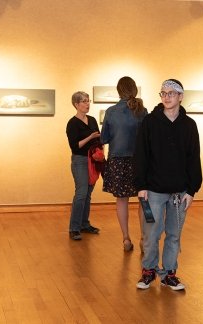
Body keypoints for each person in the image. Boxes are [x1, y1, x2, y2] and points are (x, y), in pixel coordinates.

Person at [134, 79, 202, 290]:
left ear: (181, 97)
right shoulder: (149, 122)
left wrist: (192, 189)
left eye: (172, 93)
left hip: (180, 192)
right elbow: (141, 155)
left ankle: (169, 273)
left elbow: (194, 158)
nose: (167, 97)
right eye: (163, 93)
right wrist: (141, 185)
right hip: (153, 190)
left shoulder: (189, 125)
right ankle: (148, 271)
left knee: (174, 234)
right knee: (151, 233)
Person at [101, 76, 148, 252]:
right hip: (139, 160)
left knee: (122, 200)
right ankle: (144, 238)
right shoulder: (142, 111)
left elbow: (104, 138)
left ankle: (126, 238)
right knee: (144, 200)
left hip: (117, 160)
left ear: (119, 91)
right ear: (134, 89)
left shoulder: (111, 111)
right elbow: (148, 138)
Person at [66, 91, 102, 241]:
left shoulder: (92, 120)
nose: (87, 104)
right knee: (81, 193)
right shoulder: (72, 123)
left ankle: (84, 224)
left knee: (88, 194)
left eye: (88, 101)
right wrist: (91, 137)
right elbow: (75, 146)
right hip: (80, 160)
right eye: (84, 101)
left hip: (92, 160)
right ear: (76, 104)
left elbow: (98, 139)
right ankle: (74, 228)